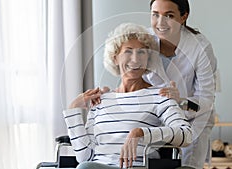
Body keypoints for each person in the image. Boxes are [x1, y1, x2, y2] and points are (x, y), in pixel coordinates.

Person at [63, 23, 193, 169]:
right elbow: (84, 157)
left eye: (142, 52)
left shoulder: (160, 96)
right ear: (115, 58)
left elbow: (186, 134)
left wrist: (141, 133)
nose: (135, 59)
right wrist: (73, 110)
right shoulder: (101, 100)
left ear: (148, 59)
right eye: (128, 51)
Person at [143, 0, 218, 169]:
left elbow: (206, 99)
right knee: (147, 161)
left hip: (192, 117)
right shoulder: (143, 42)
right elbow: (129, 80)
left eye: (169, 16)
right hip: (153, 116)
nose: (160, 23)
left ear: (184, 16)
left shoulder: (200, 47)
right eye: (155, 15)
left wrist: (181, 102)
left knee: (187, 165)